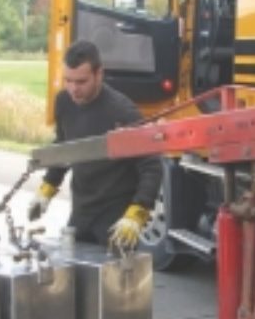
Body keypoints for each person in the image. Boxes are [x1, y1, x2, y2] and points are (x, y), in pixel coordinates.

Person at [27, 40, 162, 249]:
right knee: (70, 264)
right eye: (68, 80)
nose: (74, 89)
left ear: (99, 74)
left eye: (81, 82)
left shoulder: (122, 111)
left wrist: (138, 211)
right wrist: (47, 188)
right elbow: (65, 147)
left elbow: (151, 165)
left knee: (115, 270)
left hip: (116, 217)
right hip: (82, 211)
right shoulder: (64, 102)